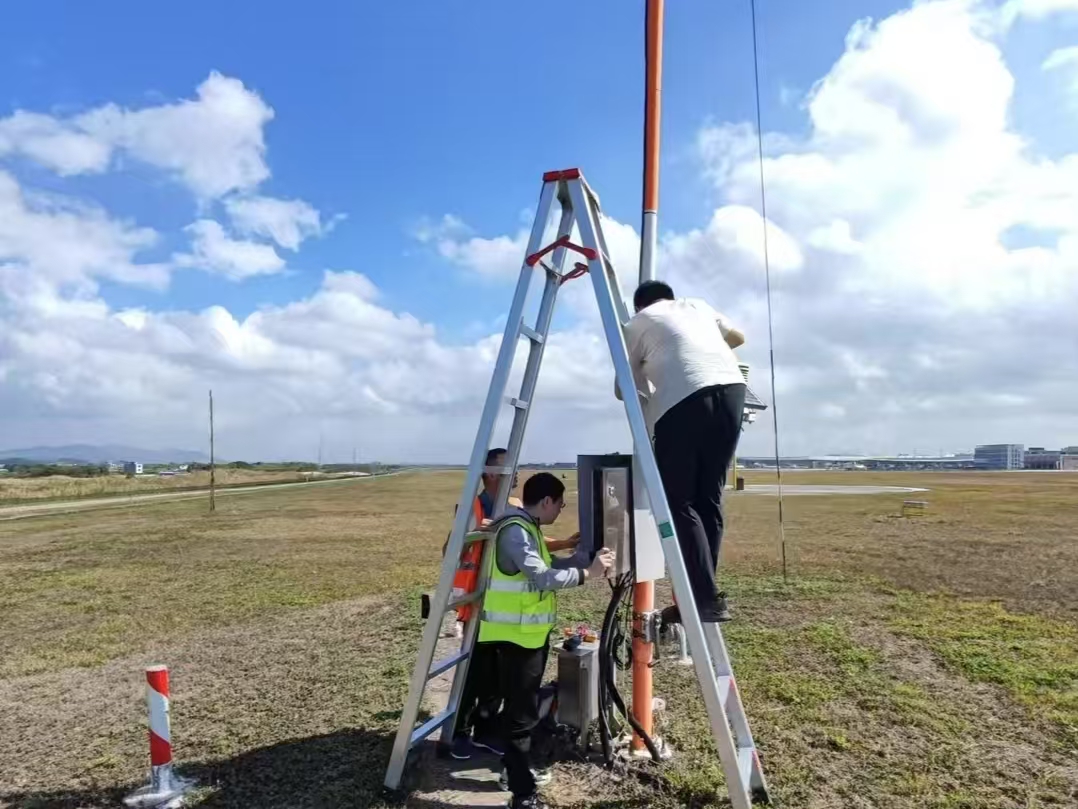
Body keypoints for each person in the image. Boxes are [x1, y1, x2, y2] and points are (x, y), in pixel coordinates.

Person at [478, 472, 614, 809]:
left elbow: (547, 565)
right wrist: (587, 574)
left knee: (520, 711)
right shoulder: (516, 532)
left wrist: (582, 560)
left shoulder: (527, 528)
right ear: (547, 501)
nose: (560, 511)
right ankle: (522, 794)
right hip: (515, 638)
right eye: (561, 504)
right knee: (520, 716)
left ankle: (514, 772)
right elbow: (541, 578)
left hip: (526, 634)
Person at [616, 280, 746, 624]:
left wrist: (648, 366)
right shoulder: (698, 306)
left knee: (680, 501)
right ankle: (706, 596)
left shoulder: (637, 324)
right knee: (709, 498)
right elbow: (738, 337)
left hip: (684, 401)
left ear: (639, 307)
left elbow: (622, 389)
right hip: (733, 392)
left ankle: (701, 598)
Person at [448, 452, 580, 761]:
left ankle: (486, 728)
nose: (516, 473)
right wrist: (473, 533)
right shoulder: (473, 508)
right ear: (493, 473)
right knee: (474, 673)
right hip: (477, 603)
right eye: (510, 467)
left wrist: (565, 544)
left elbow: (527, 547)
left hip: (498, 607)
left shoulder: (512, 509)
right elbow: (450, 550)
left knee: (496, 676)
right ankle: (459, 734)